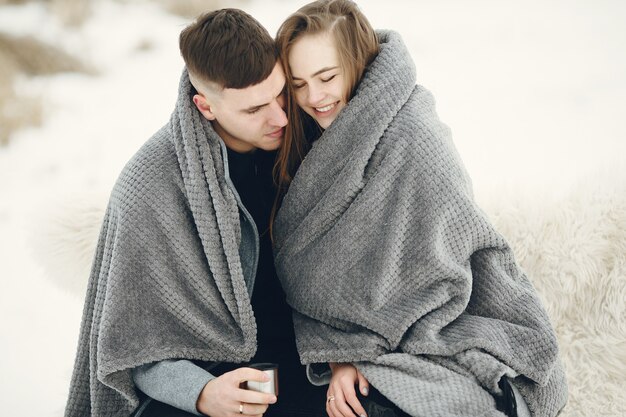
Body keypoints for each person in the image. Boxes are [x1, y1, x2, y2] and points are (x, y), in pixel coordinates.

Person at [272, 1, 568, 417]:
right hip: (345, 341)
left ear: (357, 63)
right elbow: (312, 268)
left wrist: (358, 354)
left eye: (327, 77)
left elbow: (442, 264)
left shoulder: (414, 137)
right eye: (299, 84)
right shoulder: (306, 136)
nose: (313, 97)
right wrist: (341, 355)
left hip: (437, 322)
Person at [63, 9, 329, 417]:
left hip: (315, 363)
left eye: (280, 93)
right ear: (205, 107)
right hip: (210, 376)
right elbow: (130, 346)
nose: (279, 116)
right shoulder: (150, 182)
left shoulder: (315, 134)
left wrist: (349, 354)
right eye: (254, 109)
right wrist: (201, 393)